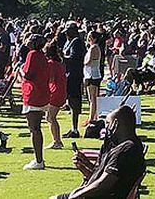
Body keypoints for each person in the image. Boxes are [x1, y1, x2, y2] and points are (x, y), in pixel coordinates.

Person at [52, 106, 146, 199]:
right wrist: (86, 164)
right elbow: (103, 177)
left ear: (115, 124)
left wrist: (76, 195)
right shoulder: (125, 145)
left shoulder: (127, 150)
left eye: (108, 124)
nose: (106, 129)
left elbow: (103, 184)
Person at [21, 34, 50, 170]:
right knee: (35, 128)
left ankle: (39, 160)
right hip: (41, 93)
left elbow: (28, 74)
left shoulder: (32, 54)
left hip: (34, 94)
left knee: (34, 129)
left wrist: (20, 70)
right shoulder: (42, 56)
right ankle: (39, 159)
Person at [62, 22, 84, 138]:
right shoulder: (68, 42)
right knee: (70, 101)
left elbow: (74, 58)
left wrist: (62, 57)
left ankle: (75, 129)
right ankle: (73, 128)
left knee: (74, 101)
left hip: (74, 75)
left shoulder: (77, 42)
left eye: (68, 31)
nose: (66, 33)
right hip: (68, 74)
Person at [45, 38, 66, 150]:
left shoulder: (51, 64)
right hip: (61, 91)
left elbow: (51, 79)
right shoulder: (60, 63)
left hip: (55, 92)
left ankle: (57, 141)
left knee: (50, 117)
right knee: (50, 117)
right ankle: (56, 140)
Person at [83, 31, 103, 126]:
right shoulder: (94, 47)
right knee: (94, 98)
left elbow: (88, 61)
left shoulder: (94, 47)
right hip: (93, 74)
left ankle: (92, 118)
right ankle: (94, 116)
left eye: (90, 37)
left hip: (92, 75)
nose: (88, 39)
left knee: (92, 98)